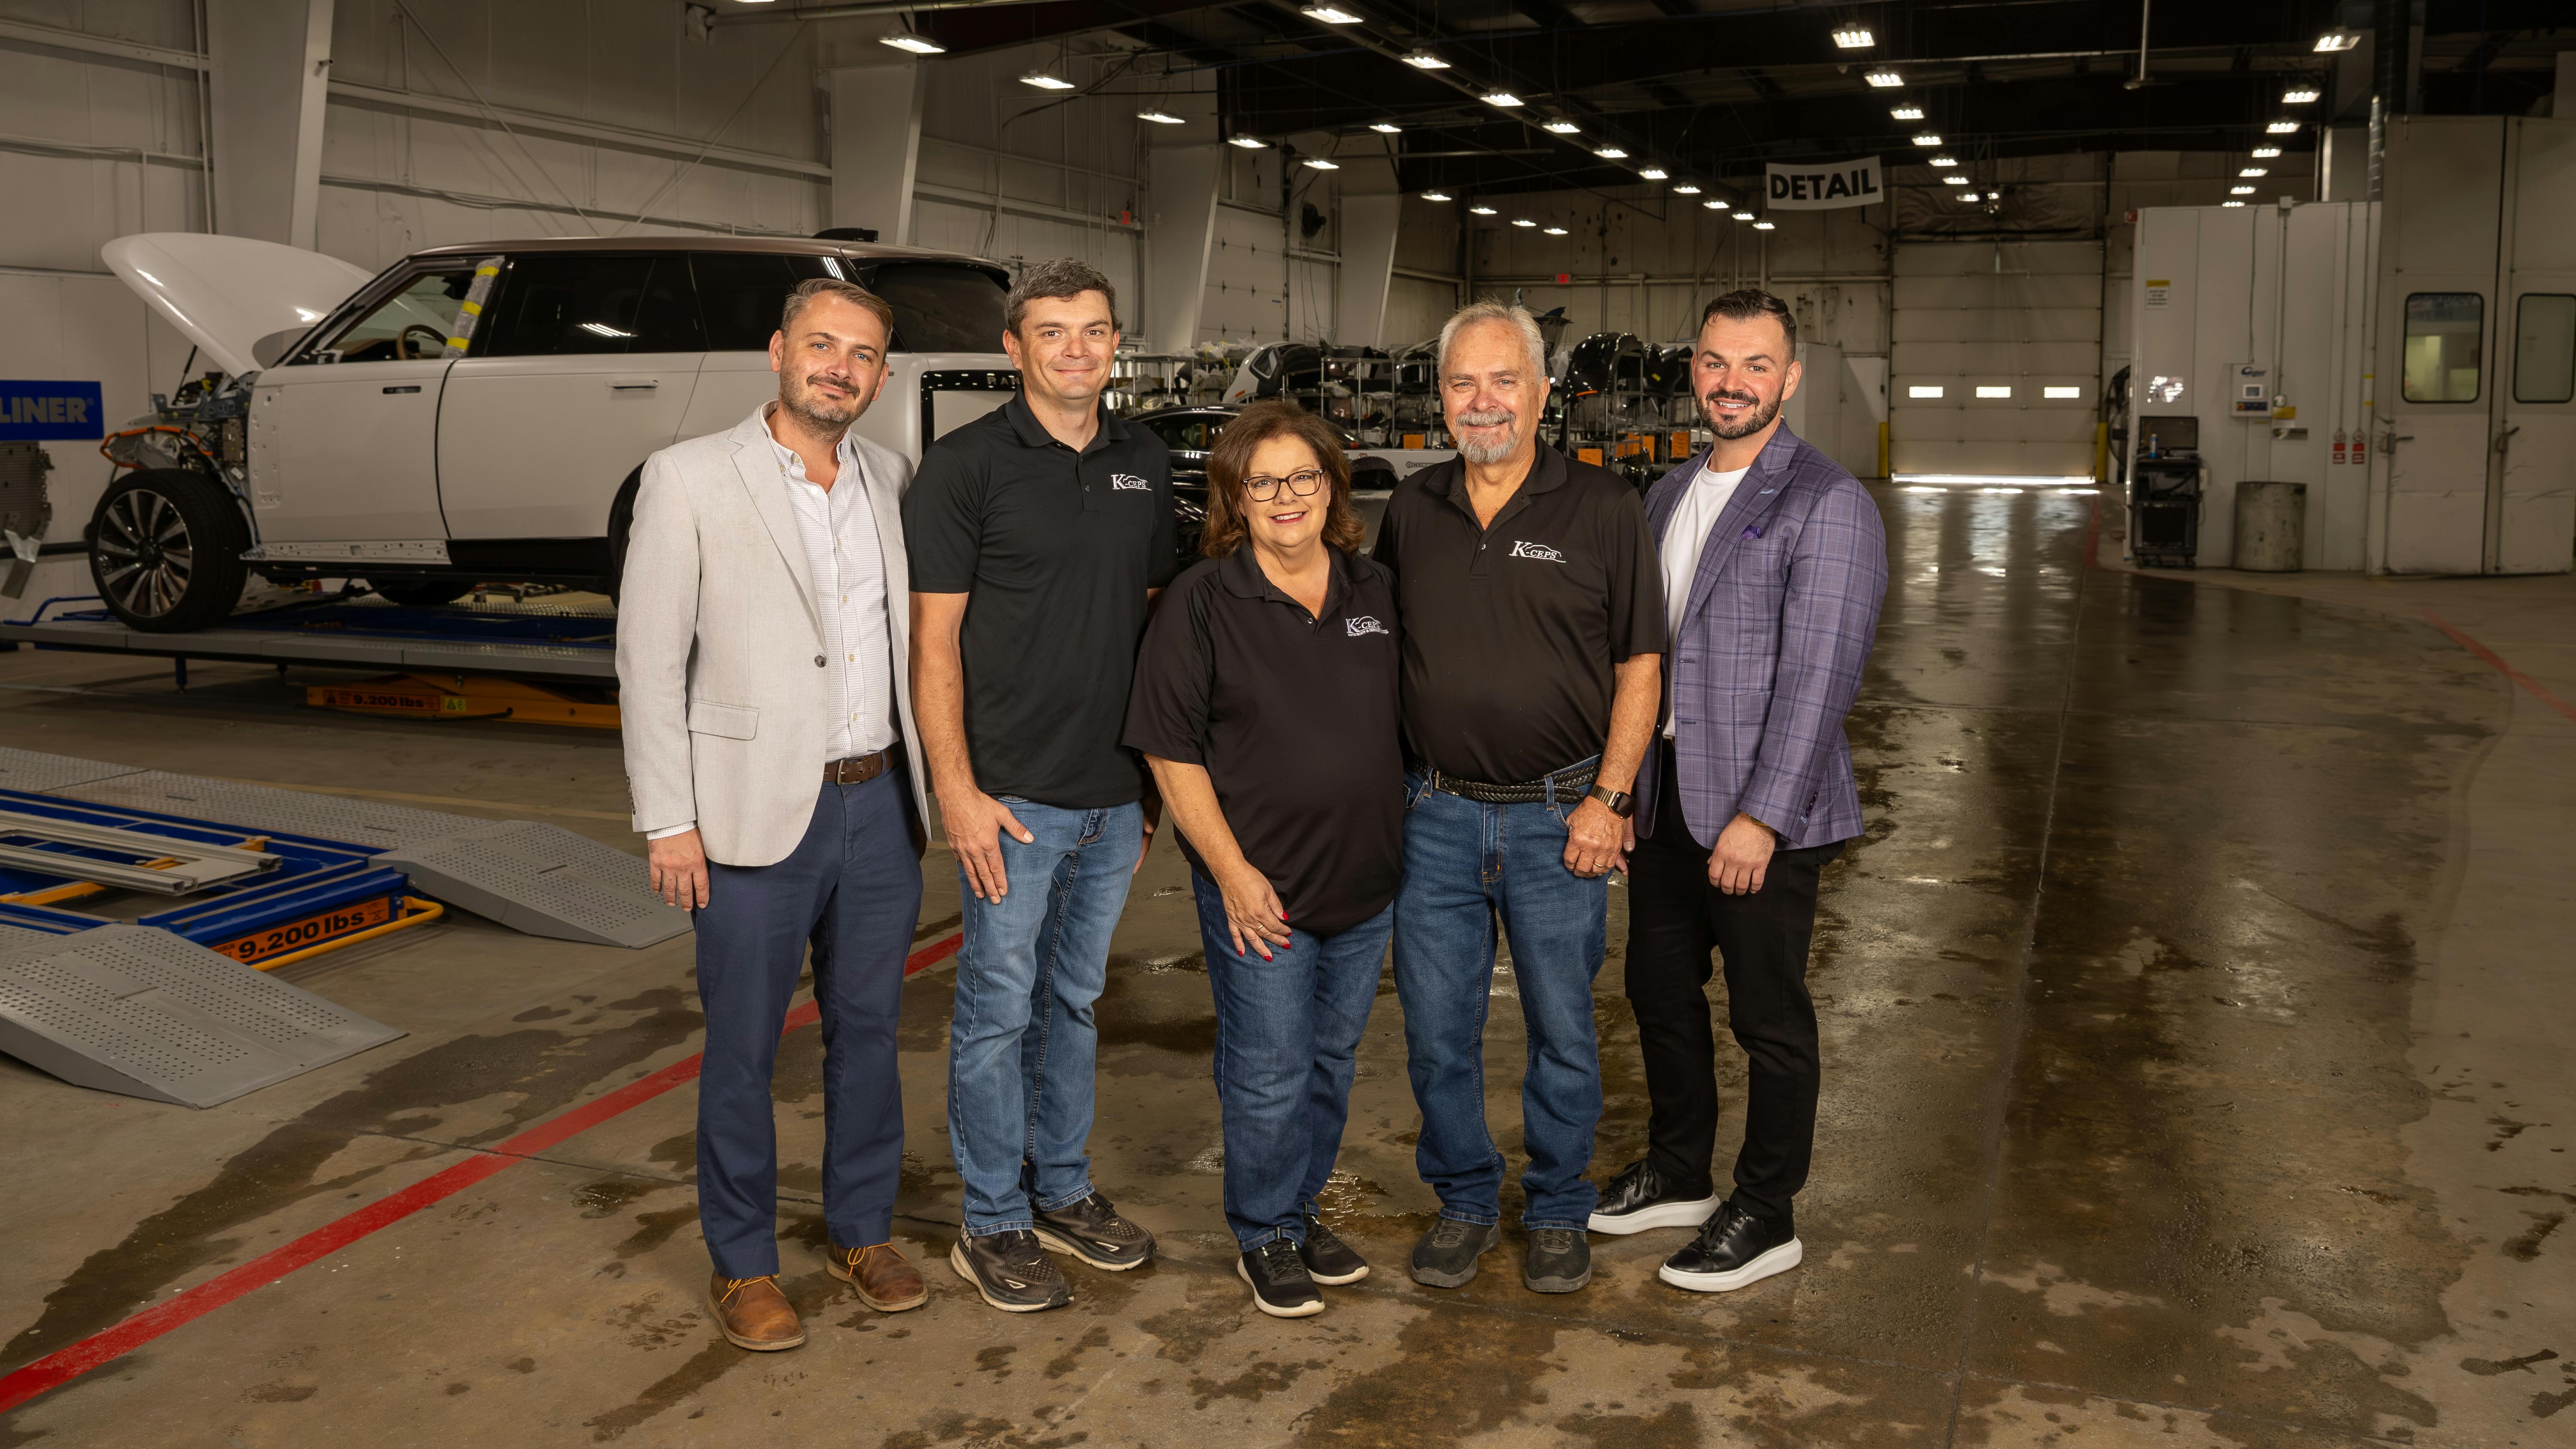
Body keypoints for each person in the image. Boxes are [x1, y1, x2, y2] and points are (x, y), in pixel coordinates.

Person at [618, 277, 931, 1352]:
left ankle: (860, 1230)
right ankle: (744, 1259)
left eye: (862, 354)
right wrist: (668, 816)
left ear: (882, 376)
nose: (839, 366)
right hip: (749, 813)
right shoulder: (690, 476)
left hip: (881, 803)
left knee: (871, 1035)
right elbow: (648, 661)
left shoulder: (890, 476)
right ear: (778, 351)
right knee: (744, 1048)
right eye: (822, 345)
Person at [1589, 288, 1886, 1295]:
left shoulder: (1826, 500)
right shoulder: (1669, 494)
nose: (1731, 382)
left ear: (1789, 378)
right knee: (1658, 993)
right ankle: (1680, 1171)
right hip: (1670, 800)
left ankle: (1766, 1210)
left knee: (1767, 1016)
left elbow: (1821, 678)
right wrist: (1620, 790)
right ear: (1694, 370)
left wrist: (1764, 815)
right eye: (1715, 362)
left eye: (1755, 365)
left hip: (1766, 814)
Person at [1372, 301, 1665, 1295]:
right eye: (1464, 383)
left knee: (1562, 1029)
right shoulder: (1413, 512)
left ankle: (1553, 1205)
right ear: (1441, 397)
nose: (1483, 401)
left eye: (1505, 380)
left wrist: (1610, 799)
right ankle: (1462, 1197)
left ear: (1543, 393)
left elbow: (1640, 663)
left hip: (1559, 818)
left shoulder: (1604, 507)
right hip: (1436, 816)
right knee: (1437, 1029)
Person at [903, 258, 1179, 1313]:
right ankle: (992, 1217)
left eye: (1095, 331)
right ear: (1013, 349)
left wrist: (1148, 789)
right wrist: (958, 792)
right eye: (1052, 332)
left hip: (1112, 798)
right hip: (1009, 800)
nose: (1076, 349)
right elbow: (936, 646)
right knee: (995, 1009)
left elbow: (1151, 625)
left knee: (1074, 999)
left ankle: (1061, 1188)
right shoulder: (966, 466)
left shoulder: (1143, 459)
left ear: (1117, 345)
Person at [1124, 401, 1403, 1319]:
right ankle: (1265, 1232)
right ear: (1235, 498)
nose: (1288, 496)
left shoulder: (1375, 591)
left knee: (1328, 1060)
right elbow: (1172, 752)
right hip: (1261, 886)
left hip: (1364, 882)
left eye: (1305, 476)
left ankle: (1300, 1204)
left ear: (1334, 485)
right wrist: (1233, 873)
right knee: (1269, 1064)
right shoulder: (1204, 601)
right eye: (1265, 480)